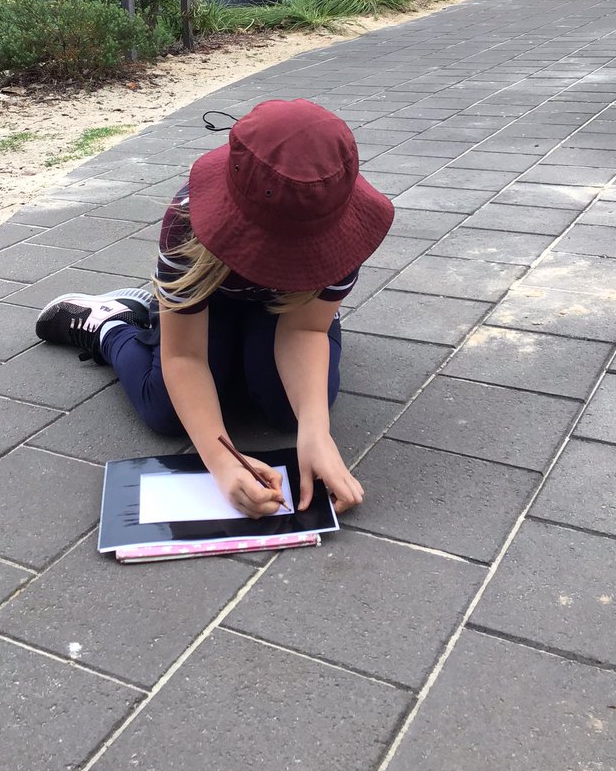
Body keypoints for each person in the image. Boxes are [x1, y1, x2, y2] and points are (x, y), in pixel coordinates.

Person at [35, 99, 394, 518]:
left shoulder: (342, 222)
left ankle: (245, 354)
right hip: (212, 297)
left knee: (289, 414)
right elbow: (185, 357)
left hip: (290, 310)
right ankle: (112, 324)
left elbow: (306, 331)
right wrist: (220, 461)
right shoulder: (187, 220)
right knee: (166, 413)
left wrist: (317, 431)